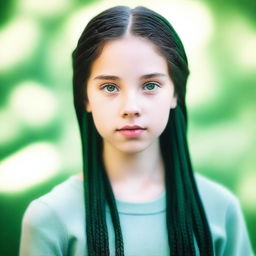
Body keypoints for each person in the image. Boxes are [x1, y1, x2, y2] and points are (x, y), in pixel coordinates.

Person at [19, 5, 254, 256]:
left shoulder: (219, 208)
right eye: (110, 87)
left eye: (150, 85)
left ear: (175, 92)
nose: (131, 107)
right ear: (85, 96)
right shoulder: (50, 216)